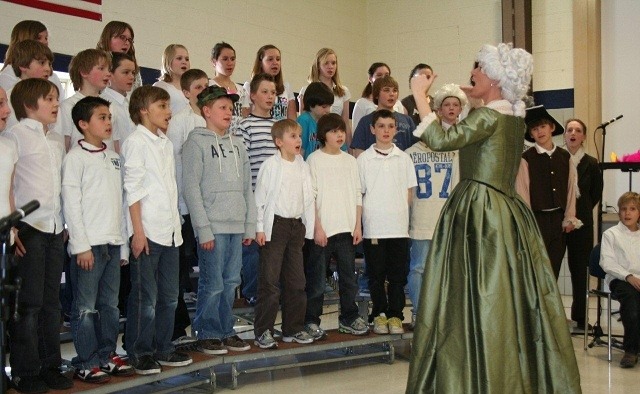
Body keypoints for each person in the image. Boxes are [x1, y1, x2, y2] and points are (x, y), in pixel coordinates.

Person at [406, 43, 581, 393]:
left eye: (480, 69)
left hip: (479, 210)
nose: (473, 73)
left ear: (497, 79)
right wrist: (475, 98)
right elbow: (480, 128)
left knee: (475, 291)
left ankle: (479, 368)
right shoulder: (512, 118)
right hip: (504, 207)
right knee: (502, 291)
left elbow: (441, 139)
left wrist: (418, 95)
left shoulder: (489, 117)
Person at [6, 78, 74, 393]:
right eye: (50, 98)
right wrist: (12, 225)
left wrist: (64, 223)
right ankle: (25, 371)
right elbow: (8, 182)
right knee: (28, 304)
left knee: (50, 303)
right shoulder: (13, 137)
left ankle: (50, 366)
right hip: (28, 228)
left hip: (53, 228)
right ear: (31, 104)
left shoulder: (57, 141)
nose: (56, 104)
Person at [62, 96, 134, 382]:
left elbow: (120, 203)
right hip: (88, 246)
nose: (108, 122)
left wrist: (123, 245)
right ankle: (87, 360)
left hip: (112, 244)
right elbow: (72, 204)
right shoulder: (74, 159)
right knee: (85, 308)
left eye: (109, 117)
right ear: (83, 124)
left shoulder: (115, 158)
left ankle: (107, 354)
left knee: (110, 306)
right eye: (101, 117)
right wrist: (80, 245)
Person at [121, 85, 192, 375]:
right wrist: (138, 232)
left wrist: (177, 224)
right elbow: (133, 191)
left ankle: (163, 347)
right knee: (144, 298)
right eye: (161, 106)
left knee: (169, 297)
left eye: (168, 106)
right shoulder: (136, 142)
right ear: (143, 111)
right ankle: (139, 351)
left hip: (170, 231)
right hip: (147, 232)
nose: (168, 112)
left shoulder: (164, 142)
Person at [182, 85, 256, 355]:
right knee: (212, 283)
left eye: (231, 108)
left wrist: (250, 225)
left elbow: (248, 187)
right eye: (222, 108)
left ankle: (225, 330)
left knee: (231, 281)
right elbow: (191, 187)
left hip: (236, 225)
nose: (229, 112)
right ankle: (207, 332)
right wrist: (203, 229)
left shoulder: (238, 144)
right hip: (212, 226)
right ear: (206, 110)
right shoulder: (196, 142)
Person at [405, 83, 465, 329]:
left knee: (448, 270)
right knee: (419, 268)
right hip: (420, 220)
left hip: (447, 220)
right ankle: (420, 313)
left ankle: (444, 314)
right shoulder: (409, 153)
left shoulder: (454, 151)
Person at [304, 113, 369, 339]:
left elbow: (358, 195)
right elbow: (310, 198)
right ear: (323, 135)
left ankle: (349, 317)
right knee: (317, 282)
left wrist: (358, 225)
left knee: (349, 280)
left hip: (347, 230)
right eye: (333, 131)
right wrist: (317, 228)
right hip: (322, 232)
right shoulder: (313, 160)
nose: (339, 135)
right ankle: (311, 320)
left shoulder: (351, 160)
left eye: (341, 130)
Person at [253, 119, 315, 349]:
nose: (298, 140)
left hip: (296, 227)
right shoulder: (271, 165)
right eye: (292, 136)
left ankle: (293, 328)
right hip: (275, 227)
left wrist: (308, 227)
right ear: (279, 142)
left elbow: (309, 197)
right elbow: (260, 199)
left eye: (299, 136)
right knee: (269, 282)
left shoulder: (303, 164)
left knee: (297, 282)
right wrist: (260, 228)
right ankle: (263, 331)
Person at [357, 109, 417, 334]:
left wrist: (398, 211)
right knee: (376, 274)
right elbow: (359, 193)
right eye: (381, 126)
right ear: (373, 129)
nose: (386, 131)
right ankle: (379, 314)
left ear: (396, 129)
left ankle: (395, 315)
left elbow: (409, 192)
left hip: (398, 228)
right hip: (374, 226)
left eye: (390, 126)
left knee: (397, 276)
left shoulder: (404, 158)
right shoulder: (364, 159)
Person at [165, 68, 208, 341]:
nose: (203, 91)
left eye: (206, 86)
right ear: (186, 92)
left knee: (208, 268)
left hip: (207, 205)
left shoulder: (212, 119)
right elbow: (175, 163)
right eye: (198, 88)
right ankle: (178, 328)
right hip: (184, 204)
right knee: (180, 271)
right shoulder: (180, 121)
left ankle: (206, 326)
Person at [516, 105, 580, 278]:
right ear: (531, 134)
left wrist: (569, 217)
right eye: (535, 129)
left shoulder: (565, 157)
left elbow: (570, 189)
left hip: (558, 220)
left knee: (554, 268)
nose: (540, 132)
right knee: (537, 270)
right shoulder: (526, 158)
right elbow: (523, 193)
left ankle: (552, 305)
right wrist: (528, 224)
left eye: (543, 127)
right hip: (537, 220)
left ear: (551, 127)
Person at [237, 73, 278, 305]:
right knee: (252, 250)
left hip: (277, 202)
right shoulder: (244, 126)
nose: (270, 96)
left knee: (273, 251)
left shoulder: (279, 127)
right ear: (252, 96)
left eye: (273, 92)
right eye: (264, 92)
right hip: (252, 199)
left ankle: (272, 292)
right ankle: (252, 293)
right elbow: (242, 166)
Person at [564, 118, 603, 330]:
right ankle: (552, 319)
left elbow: (595, 193)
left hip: (583, 226)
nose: (573, 133)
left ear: (584, 137)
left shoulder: (592, 163)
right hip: (559, 223)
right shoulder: (559, 159)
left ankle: (580, 318)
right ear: (564, 135)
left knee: (580, 272)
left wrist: (581, 213)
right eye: (569, 129)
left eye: (577, 130)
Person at [600, 191, 640, 368]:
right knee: (631, 305)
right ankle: (631, 351)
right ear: (619, 212)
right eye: (624, 209)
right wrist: (628, 276)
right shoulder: (611, 234)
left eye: (632, 209)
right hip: (620, 279)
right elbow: (607, 262)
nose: (627, 213)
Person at [56, 49, 113, 152]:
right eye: (101, 68)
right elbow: (63, 146)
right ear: (84, 72)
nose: (108, 74)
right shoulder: (68, 106)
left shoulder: (110, 107)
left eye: (109, 70)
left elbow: (112, 145)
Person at [298, 48, 353, 145]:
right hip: (314, 141)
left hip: (336, 141)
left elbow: (345, 124)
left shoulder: (343, 91)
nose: (330, 67)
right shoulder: (306, 90)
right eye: (326, 63)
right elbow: (303, 122)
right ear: (318, 66)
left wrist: (349, 148)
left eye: (333, 63)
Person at [351, 76, 417, 157]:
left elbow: (415, 150)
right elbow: (359, 153)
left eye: (395, 90)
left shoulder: (407, 120)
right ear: (376, 95)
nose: (391, 94)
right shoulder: (365, 121)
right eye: (386, 90)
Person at [0, 20, 64, 98]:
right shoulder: (7, 76)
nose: (45, 42)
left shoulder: (52, 76)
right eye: (38, 38)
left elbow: (60, 103)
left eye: (46, 38)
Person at [3, 39, 54, 130]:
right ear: (23, 65)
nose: (48, 69)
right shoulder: (10, 98)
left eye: (49, 64)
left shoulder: (50, 98)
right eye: (42, 63)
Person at [244, 45, 296, 120]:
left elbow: (292, 119)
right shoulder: (249, 86)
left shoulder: (286, 87)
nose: (275, 62)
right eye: (270, 59)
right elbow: (246, 115)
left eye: (278, 59)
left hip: (281, 130)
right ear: (261, 63)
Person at [209, 42, 250, 135]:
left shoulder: (241, 90)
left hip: (238, 138)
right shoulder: (209, 86)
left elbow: (244, 116)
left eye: (232, 59)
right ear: (214, 61)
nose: (230, 63)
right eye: (225, 59)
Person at [351, 62, 405, 131]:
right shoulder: (362, 103)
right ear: (370, 78)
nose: (383, 78)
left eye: (386, 75)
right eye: (379, 75)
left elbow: (402, 126)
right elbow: (356, 130)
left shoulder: (398, 103)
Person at [100, 52, 137, 147]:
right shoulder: (103, 103)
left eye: (133, 72)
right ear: (110, 74)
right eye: (126, 72)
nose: (132, 77)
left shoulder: (133, 101)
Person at [96, 21, 142, 91]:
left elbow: (137, 94)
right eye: (122, 37)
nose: (127, 43)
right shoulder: (95, 63)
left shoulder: (133, 68)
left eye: (129, 40)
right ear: (108, 38)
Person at [297, 81, 334, 159]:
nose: (328, 110)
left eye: (329, 106)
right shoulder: (304, 121)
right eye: (324, 107)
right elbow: (300, 150)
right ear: (311, 105)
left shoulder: (327, 121)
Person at [153, 44, 191, 115]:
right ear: (168, 61)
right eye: (179, 58)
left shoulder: (191, 88)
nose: (184, 62)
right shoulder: (161, 86)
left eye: (187, 59)